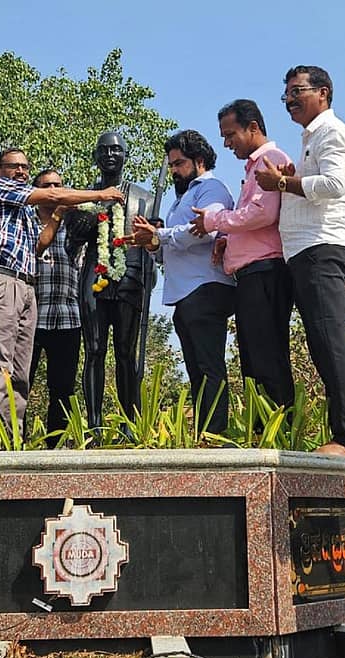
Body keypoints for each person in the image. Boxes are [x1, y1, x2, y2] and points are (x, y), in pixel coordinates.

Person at [255, 65, 345, 457]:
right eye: (285, 94)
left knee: (331, 340)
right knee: (321, 343)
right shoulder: (311, 138)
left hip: (323, 248)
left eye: (296, 91)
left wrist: (283, 183)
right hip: (306, 251)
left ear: (324, 92)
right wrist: (292, 178)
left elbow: (334, 186)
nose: (289, 100)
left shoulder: (332, 132)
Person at [0, 148, 123, 428]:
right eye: (13, 166)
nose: (20, 171)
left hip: (27, 286)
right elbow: (54, 196)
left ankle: (13, 435)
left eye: (24, 167)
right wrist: (100, 194)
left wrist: (57, 216)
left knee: (20, 372)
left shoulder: (25, 213)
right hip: (3, 280)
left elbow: (38, 245)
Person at [127, 130, 236, 433]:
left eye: (179, 163)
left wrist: (160, 235)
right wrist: (152, 244)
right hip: (185, 292)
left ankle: (215, 434)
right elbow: (170, 252)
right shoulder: (180, 200)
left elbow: (205, 229)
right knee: (196, 369)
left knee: (209, 365)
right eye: (172, 165)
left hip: (206, 287)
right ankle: (204, 432)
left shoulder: (211, 188)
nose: (174, 170)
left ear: (199, 161)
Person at [190, 101, 295, 413]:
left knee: (267, 355)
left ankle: (278, 431)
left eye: (230, 134)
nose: (226, 143)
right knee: (252, 357)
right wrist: (228, 239)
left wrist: (214, 220)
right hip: (251, 274)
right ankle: (263, 428)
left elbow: (262, 213)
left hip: (265, 271)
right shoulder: (253, 167)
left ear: (253, 128)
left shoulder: (271, 159)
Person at [64, 132, 155, 428]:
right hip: (94, 276)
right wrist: (93, 213)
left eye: (116, 150)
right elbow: (71, 244)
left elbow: (153, 245)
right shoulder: (83, 199)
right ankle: (94, 424)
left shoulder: (145, 198)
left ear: (126, 155)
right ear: (95, 157)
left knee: (126, 352)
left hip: (129, 277)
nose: (110, 155)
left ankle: (131, 423)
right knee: (93, 350)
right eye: (103, 150)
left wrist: (146, 279)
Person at [28, 169, 82, 447]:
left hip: (68, 317)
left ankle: (56, 449)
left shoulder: (76, 226)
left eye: (59, 185)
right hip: (29, 318)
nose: (54, 190)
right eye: (47, 186)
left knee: (62, 390)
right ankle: (14, 445)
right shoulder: (25, 221)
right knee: (19, 385)